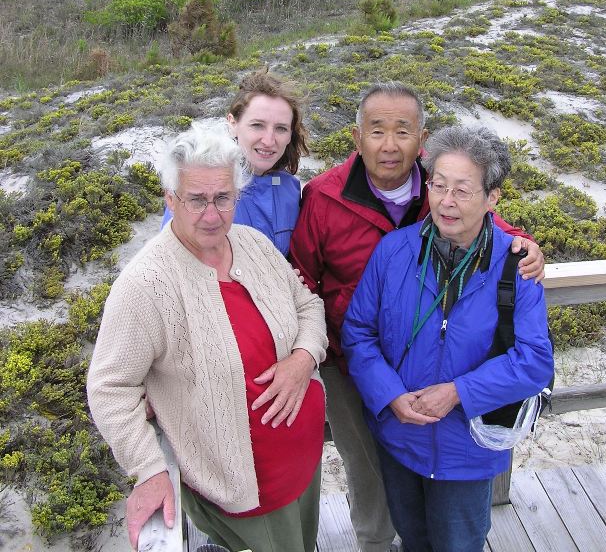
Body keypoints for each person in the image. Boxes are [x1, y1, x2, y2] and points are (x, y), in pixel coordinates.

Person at [289, 82, 545, 552]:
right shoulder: (327, 200)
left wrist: (523, 245)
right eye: (377, 130)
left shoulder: (472, 221)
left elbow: (475, 217)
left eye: (402, 131)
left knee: (456, 532)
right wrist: (377, 386)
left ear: (421, 139)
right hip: (362, 377)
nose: (390, 145)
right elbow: (307, 286)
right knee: (375, 485)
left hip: (457, 423)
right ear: (356, 136)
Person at [88, 119, 327, 552]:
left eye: (223, 197)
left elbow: (308, 305)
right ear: (170, 199)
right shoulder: (146, 284)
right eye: (196, 200)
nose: (212, 214)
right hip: (242, 492)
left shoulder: (253, 243)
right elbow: (109, 387)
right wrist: (149, 469)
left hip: (306, 465)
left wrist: (303, 359)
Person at [161, 69, 308, 256]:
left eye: (281, 128)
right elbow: (173, 262)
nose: (269, 141)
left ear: (290, 135)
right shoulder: (203, 185)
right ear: (232, 123)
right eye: (257, 125)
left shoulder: (291, 188)